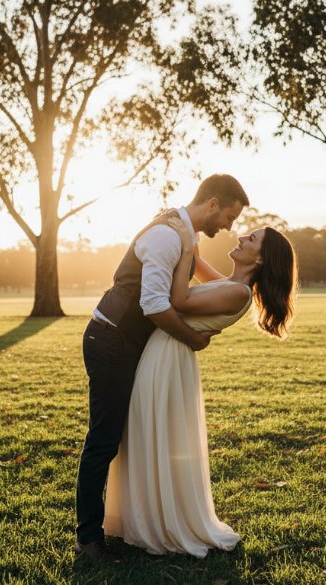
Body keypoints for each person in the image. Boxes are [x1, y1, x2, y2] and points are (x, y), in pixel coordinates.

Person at [74, 174, 250, 562]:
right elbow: (154, 305)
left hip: (131, 345)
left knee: (128, 434)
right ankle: (88, 539)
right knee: (104, 439)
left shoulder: (184, 236)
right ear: (213, 203)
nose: (229, 226)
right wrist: (192, 338)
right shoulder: (168, 237)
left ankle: (135, 519)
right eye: (229, 216)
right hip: (110, 341)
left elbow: (219, 288)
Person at [103, 220, 298, 558]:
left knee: (150, 431)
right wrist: (187, 235)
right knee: (147, 432)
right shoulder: (230, 284)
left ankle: (160, 522)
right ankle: (145, 516)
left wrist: (184, 248)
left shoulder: (237, 293)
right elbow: (195, 264)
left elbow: (177, 298)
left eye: (251, 238)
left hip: (167, 358)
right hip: (166, 353)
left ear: (261, 259)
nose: (241, 236)